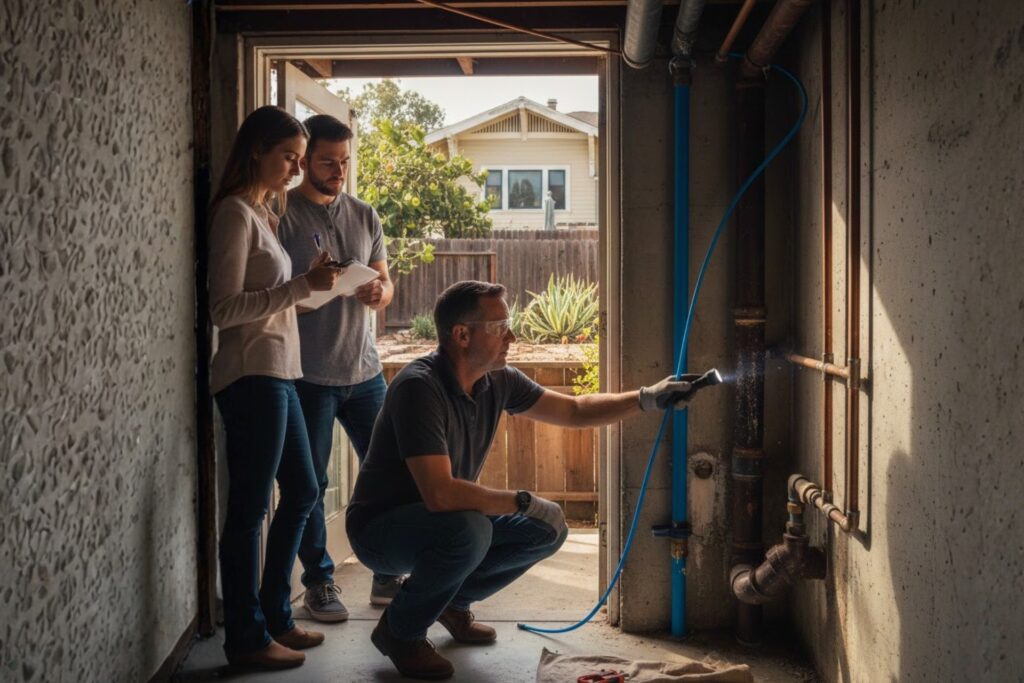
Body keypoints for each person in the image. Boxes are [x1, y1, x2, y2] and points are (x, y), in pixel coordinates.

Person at [346, 280, 700, 680]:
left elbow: (575, 410)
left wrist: (647, 398)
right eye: (500, 327)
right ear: (462, 335)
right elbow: (441, 494)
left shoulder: (497, 380)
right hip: (380, 532)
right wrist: (522, 501)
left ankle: (450, 604)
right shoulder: (419, 388)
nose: (511, 337)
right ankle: (401, 632)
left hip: (441, 521)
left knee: (546, 529)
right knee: (471, 529)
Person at [208, 105, 342, 671]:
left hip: (282, 373)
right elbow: (224, 309)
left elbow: (279, 299)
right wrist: (299, 286)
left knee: (305, 491)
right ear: (257, 150)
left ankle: (275, 617)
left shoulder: (264, 215)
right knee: (250, 509)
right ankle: (246, 638)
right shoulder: (235, 214)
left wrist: (315, 285)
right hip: (250, 376)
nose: (295, 168)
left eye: (298, 158)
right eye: (288, 156)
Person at [277, 114, 399, 622]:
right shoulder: (281, 214)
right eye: (328, 161)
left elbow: (387, 285)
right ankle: (319, 582)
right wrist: (315, 288)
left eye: (345, 161)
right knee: (309, 485)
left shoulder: (365, 214)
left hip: (364, 371)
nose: (339, 171)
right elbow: (271, 297)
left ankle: (387, 571)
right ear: (304, 160)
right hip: (306, 375)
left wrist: (377, 293)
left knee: (391, 472)